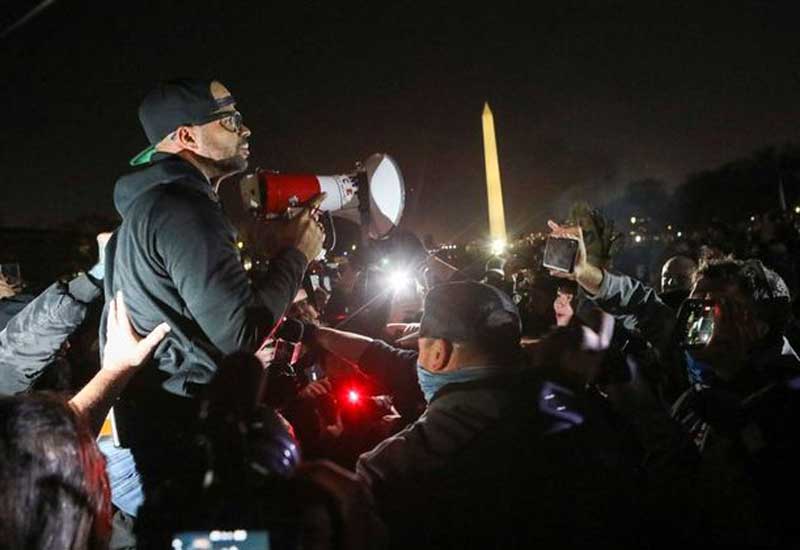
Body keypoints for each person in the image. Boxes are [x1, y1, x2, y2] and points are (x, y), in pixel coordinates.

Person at [100, 78, 325, 534]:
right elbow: (239, 335)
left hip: (147, 432)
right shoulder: (185, 209)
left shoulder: (154, 206)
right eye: (230, 120)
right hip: (171, 442)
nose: (246, 130)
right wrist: (297, 254)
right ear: (187, 136)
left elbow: (205, 313)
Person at [310, 281, 640, 547]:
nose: (414, 358)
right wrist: (316, 334)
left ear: (438, 354)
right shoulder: (571, 404)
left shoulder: (397, 466)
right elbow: (389, 360)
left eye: (421, 349)